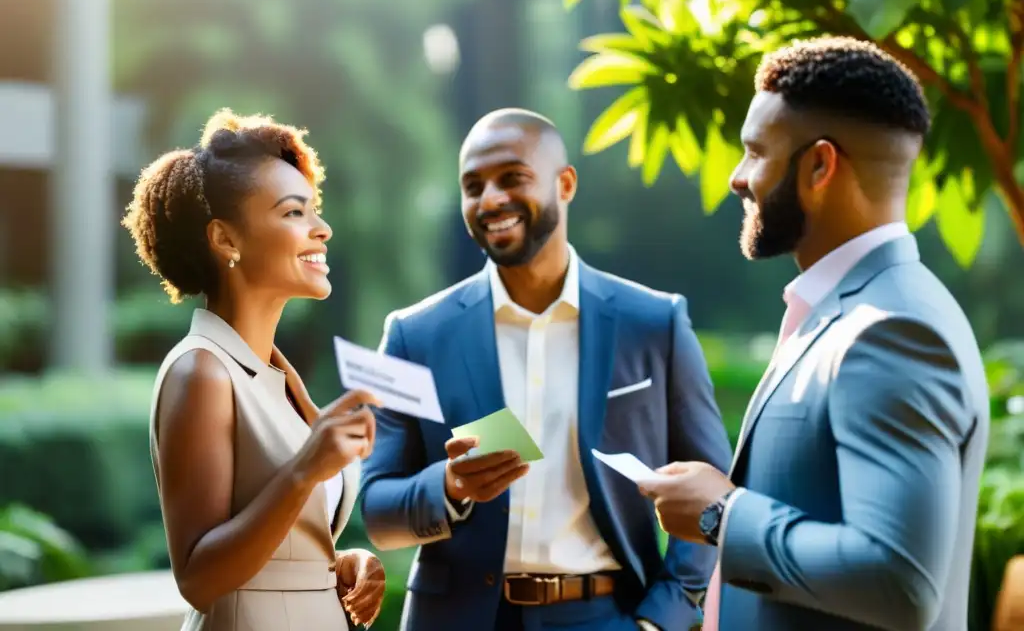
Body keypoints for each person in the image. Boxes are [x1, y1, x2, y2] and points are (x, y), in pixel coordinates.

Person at [637, 37, 990, 631]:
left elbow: (900, 582)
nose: (736, 178)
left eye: (754, 152)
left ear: (820, 166)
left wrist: (721, 515)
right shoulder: (854, 309)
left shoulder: (890, 331)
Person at [360, 108, 732, 631]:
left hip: (608, 617)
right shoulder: (412, 335)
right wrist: (450, 486)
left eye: (512, 178)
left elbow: (714, 489)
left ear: (565, 183)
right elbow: (377, 509)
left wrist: (659, 621)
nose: (490, 199)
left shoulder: (655, 322)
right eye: (473, 186)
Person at [122, 109, 387, 630]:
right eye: (294, 213)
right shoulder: (202, 372)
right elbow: (199, 578)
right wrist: (306, 467)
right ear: (225, 239)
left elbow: (275, 544)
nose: (322, 229)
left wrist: (334, 565)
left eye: (314, 210)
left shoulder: (276, 376)